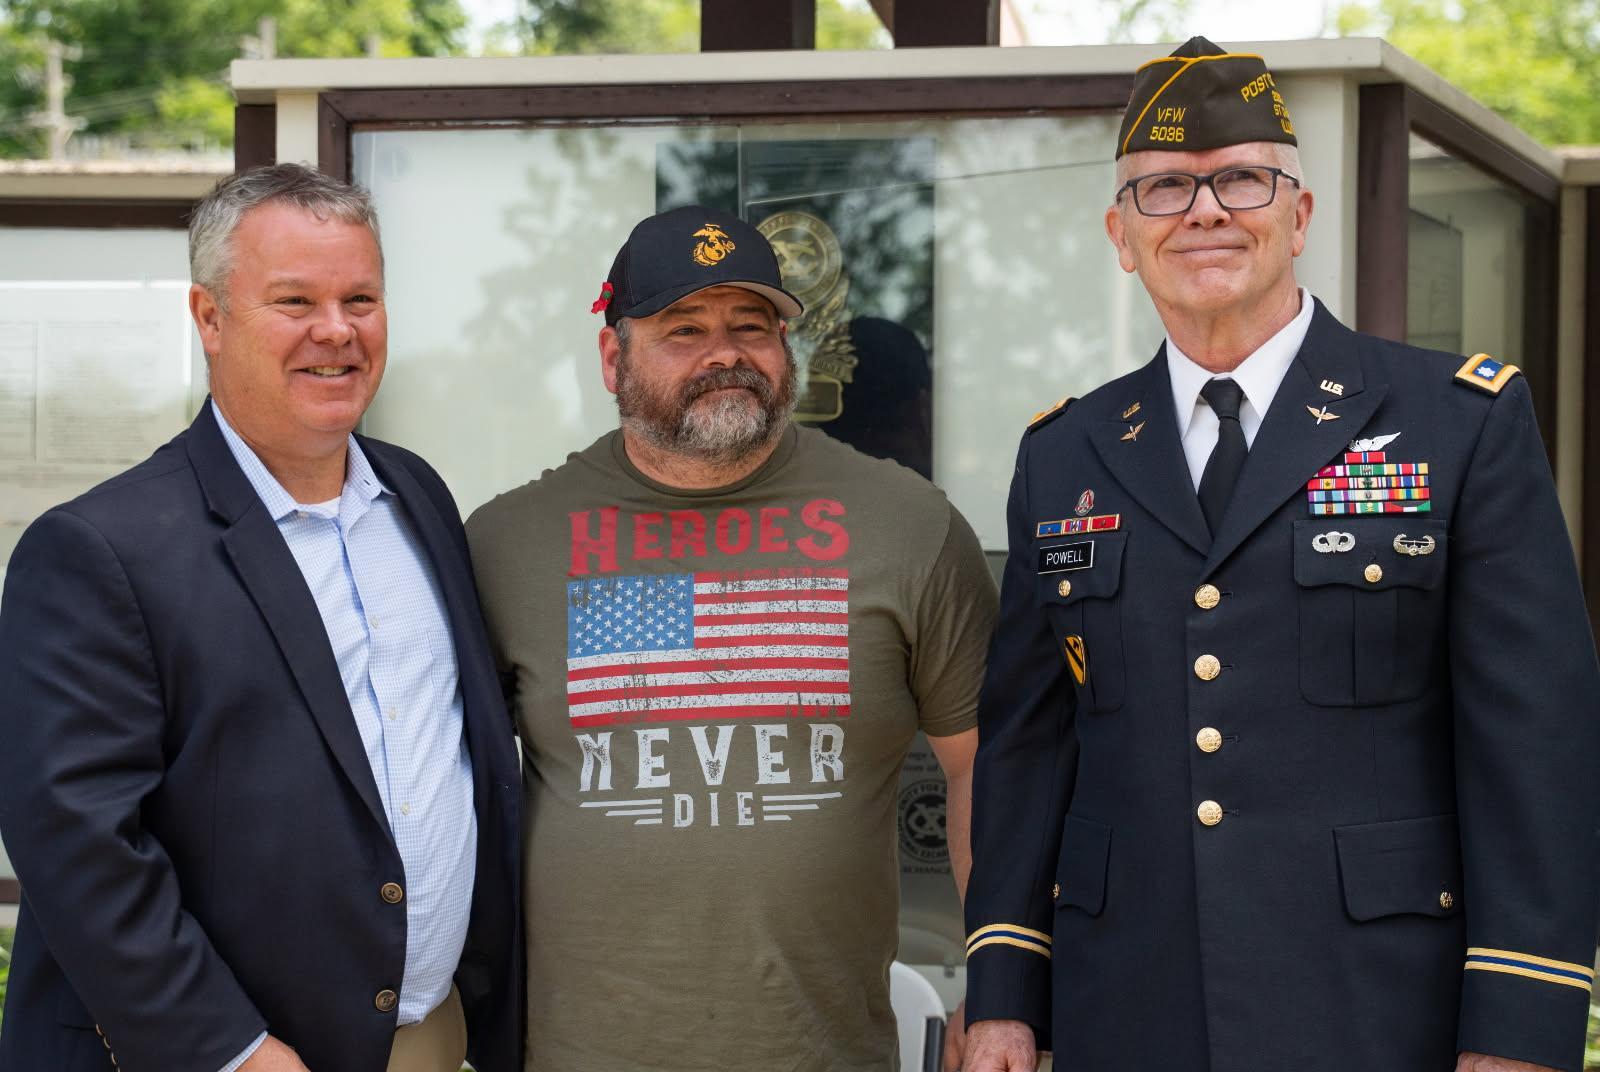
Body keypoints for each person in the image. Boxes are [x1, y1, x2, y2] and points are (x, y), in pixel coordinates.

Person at [962, 36, 1600, 1072]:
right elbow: (1030, 753)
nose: (1204, 210)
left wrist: (1521, 1023)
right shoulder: (1064, 453)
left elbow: (1537, 744)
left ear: (1298, 215)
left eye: (1240, 179)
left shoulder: (1455, 423)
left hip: (1379, 1008)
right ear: (1121, 236)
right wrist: (1001, 991)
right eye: (1163, 188)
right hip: (1126, 1005)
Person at [0, 163, 521, 1072]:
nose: (337, 330)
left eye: (361, 297)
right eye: (295, 301)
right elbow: (75, 841)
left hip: (427, 1044)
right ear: (209, 318)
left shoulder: (420, 498)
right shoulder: (97, 550)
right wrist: (234, 1053)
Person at [465, 205, 996, 1072]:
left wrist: (1002, 975)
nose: (726, 353)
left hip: (823, 1051)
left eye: (754, 327)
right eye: (684, 329)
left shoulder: (908, 526)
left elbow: (984, 762)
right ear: (612, 358)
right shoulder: (507, 544)